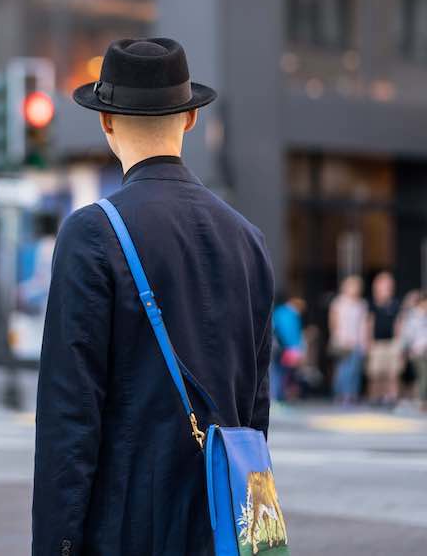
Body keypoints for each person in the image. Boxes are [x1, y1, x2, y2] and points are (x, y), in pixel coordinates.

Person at [32, 38, 275, 556]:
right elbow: (255, 415)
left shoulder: (92, 234)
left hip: (126, 533)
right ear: (190, 119)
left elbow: (68, 420)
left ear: (107, 123)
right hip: (225, 529)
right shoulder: (248, 240)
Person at [328, 275, 368, 404]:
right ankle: (340, 394)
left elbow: (363, 324)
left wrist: (364, 342)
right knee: (343, 370)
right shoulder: (338, 302)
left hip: (357, 341)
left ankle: (352, 395)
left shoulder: (361, 304)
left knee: (355, 370)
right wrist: (337, 337)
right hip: (343, 341)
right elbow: (333, 322)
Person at [366, 271, 402, 407]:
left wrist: (399, 343)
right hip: (377, 343)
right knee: (375, 373)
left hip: (392, 342)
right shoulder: (372, 303)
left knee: (392, 373)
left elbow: (398, 324)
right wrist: (368, 341)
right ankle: (375, 397)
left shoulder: (395, 303)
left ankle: (391, 398)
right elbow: (369, 323)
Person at [271, 295, 306, 402]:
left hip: (279, 347)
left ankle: (277, 396)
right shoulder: (290, 315)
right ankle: (277, 396)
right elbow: (290, 333)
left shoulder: (279, 312)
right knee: (281, 373)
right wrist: (297, 347)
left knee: (279, 372)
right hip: (285, 348)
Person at [401, 290, 427, 411]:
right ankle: (423, 401)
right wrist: (407, 349)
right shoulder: (414, 316)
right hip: (418, 352)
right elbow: (408, 335)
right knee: (424, 376)